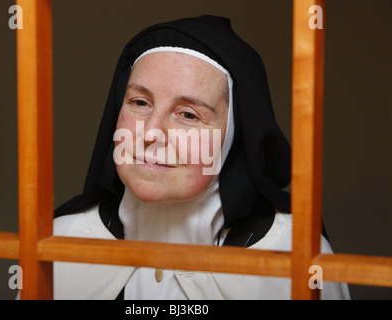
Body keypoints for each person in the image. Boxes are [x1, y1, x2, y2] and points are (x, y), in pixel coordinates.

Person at [53, 15, 350, 300]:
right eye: (140, 102)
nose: (151, 132)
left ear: (232, 138)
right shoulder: (59, 240)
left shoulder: (297, 256)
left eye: (188, 114)